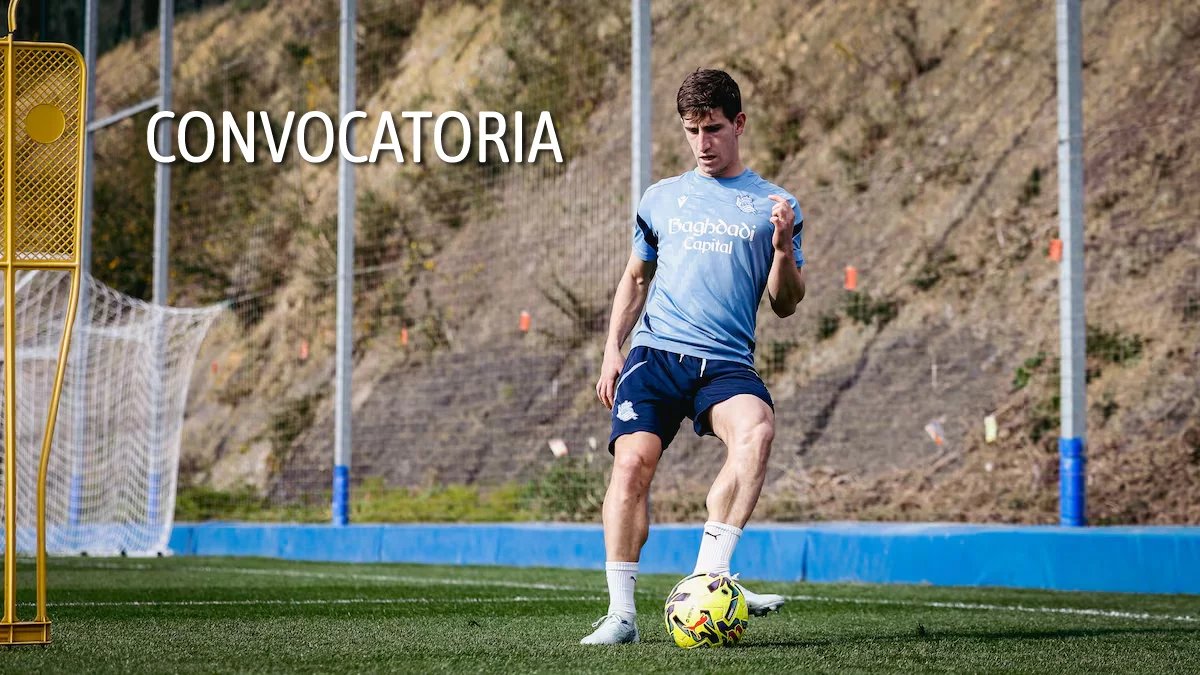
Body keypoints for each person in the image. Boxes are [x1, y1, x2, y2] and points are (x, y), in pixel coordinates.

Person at [581, 68, 806, 645]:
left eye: (713, 129)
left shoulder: (775, 205)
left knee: (757, 430)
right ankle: (621, 616)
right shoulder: (661, 198)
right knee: (631, 465)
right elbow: (636, 278)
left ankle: (711, 578)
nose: (702, 143)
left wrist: (783, 249)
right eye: (692, 130)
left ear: (739, 124)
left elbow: (785, 304)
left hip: (725, 361)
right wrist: (611, 351)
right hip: (655, 354)